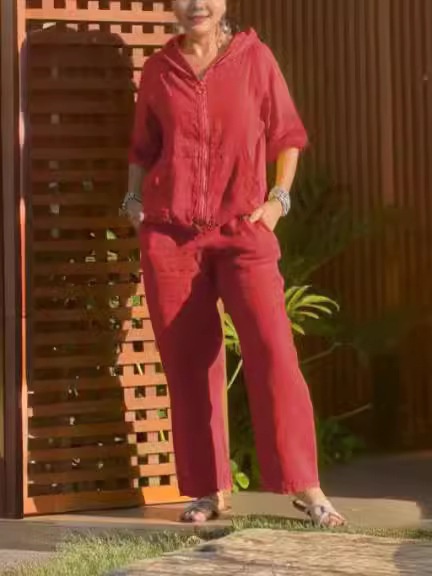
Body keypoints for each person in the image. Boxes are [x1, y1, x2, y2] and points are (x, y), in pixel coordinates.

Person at [123, 0, 345, 527]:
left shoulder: (254, 59)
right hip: (172, 236)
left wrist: (277, 202)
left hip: (245, 231)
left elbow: (287, 136)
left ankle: (305, 485)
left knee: (273, 350)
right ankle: (208, 489)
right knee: (189, 364)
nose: (196, 4)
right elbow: (143, 148)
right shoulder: (159, 70)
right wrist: (133, 202)